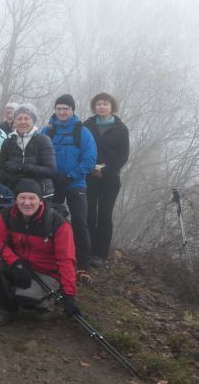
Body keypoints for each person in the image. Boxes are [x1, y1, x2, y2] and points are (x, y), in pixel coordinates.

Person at [0, 179, 79, 326]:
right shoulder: (7, 215)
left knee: (26, 299)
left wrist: (69, 295)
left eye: (32, 198)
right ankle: (7, 308)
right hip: (21, 265)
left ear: (40, 200)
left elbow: (66, 259)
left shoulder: (58, 223)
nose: (27, 203)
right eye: (22, 197)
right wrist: (15, 263)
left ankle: (47, 303)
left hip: (48, 272)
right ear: (16, 200)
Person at [41, 94, 97, 284]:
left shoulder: (82, 132)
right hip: (52, 183)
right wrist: (50, 175)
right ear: (55, 110)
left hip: (75, 183)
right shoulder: (47, 131)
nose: (62, 112)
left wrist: (70, 175)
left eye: (66, 108)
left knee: (80, 221)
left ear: (72, 110)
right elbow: (39, 154)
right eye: (59, 108)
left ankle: (83, 265)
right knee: (48, 221)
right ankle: (49, 258)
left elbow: (90, 159)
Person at [84, 93, 130, 268]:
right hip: (89, 176)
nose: (102, 107)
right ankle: (86, 251)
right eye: (98, 104)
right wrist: (90, 168)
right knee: (88, 213)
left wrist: (104, 171)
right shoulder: (87, 126)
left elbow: (123, 156)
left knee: (104, 215)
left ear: (112, 106)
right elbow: (81, 148)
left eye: (105, 104)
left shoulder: (121, 129)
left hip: (110, 179)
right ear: (94, 107)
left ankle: (100, 254)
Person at [0, 103, 57, 198]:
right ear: (14, 121)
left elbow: (51, 171)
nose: (23, 122)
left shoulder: (43, 140)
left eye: (26, 118)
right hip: (13, 192)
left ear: (33, 121)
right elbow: (1, 170)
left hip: (40, 193)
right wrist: (13, 179)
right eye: (19, 118)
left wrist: (21, 167)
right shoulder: (8, 142)